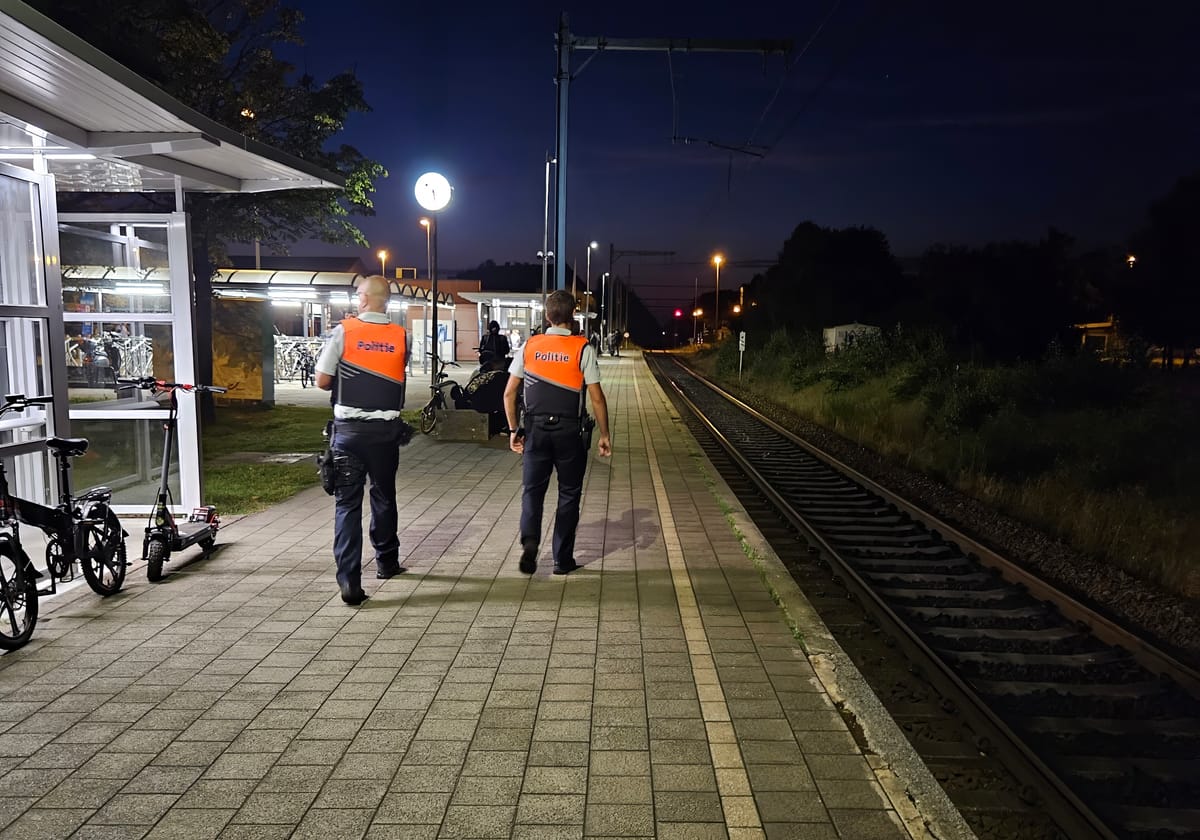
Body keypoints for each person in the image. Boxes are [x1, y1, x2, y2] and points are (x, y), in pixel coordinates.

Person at [315, 276, 411, 606]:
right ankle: (386, 562)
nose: (357, 300)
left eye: (358, 295)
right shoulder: (401, 336)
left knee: (347, 505)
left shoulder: (345, 331)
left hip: (348, 435)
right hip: (385, 434)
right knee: (384, 497)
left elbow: (322, 380)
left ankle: (350, 582)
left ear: (367, 299)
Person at [504, 289, 611, 575]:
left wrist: (514, 429)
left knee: (532, 491)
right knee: (569, 494)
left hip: (535, 430)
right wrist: (604, 434)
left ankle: (529, 543)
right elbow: (597, 397)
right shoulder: (582, 348)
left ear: (547, 316)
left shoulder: (530, 345)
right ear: (572, 315)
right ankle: (562, 560)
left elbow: (509, 393)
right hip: (569, 433)